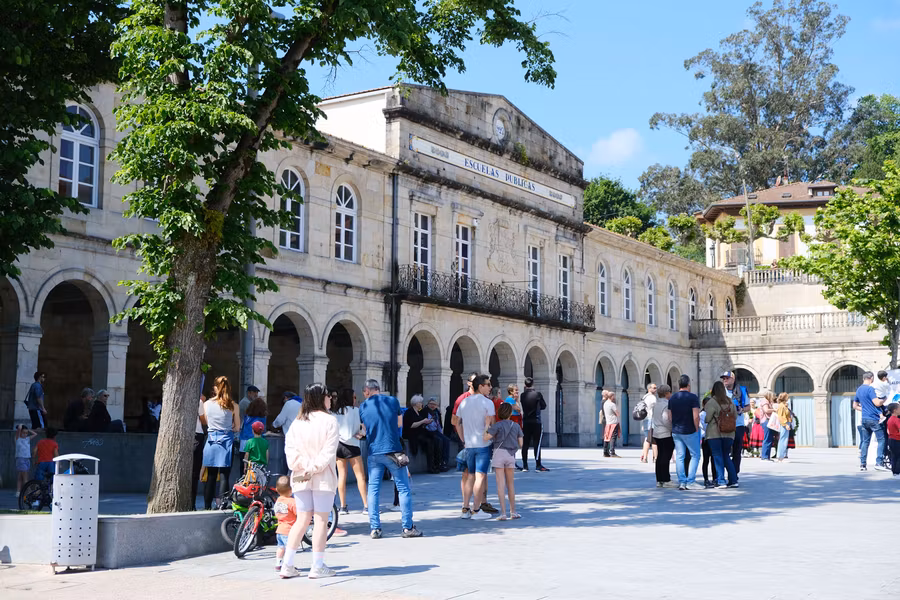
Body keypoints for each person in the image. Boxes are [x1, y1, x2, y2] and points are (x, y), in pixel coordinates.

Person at [279, 382, 340, 580]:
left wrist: (304, 467)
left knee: (302, 519)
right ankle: (317, 565)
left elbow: (291, 453)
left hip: (300, 476)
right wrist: (313, 468)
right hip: (322, 477)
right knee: (321, 520)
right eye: (328, 395)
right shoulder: (330, 421)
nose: (330, 399)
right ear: (321, 397)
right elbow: (328, 453)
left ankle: (287, 564)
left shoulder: (297, 422)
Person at [359, 378, 423, 539]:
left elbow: (365, 430)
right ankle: (407, 527)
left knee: (373, 490)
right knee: (403, 488)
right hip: (393, 450)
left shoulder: (363, 406)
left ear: (367, 391)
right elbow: (400, 424)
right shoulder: (393, 401)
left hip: (374, 451)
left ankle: (375, 528)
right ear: (378, 389)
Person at [453, 374, 497, 520]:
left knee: (470, 476)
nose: (490, 387)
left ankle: (465, 508)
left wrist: (463, 439)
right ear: (481, 386)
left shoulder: (464, 402)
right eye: (488, 384)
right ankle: (476, 510)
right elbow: (491, 424)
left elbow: (456, 422)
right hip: (483, 444)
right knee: (480, 476)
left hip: (469, 444)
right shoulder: (487, 403)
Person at [199, 376, 240, 510]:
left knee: (210, 475)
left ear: (216, 388)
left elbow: (204, 421)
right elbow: (237, 428)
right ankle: (222, 504)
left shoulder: (207, 404)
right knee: (224, 476)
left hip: (211, 439)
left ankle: (206, 506)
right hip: (226, 440)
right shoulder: (233, 405)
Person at [484, 402, 524, 520]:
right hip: (510, 454)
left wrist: (487, 426)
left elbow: (486, 438)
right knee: (510, 484)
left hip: (498, 454)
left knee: (500, 485)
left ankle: (503, 513)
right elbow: (521, 444)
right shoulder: (516, 426)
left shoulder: (497, 425)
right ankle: (513, 511)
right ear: (510, 413)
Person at [332, 388, 368, 515]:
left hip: (339, 445)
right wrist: (361, 434)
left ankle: (343, 506)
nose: (355, 400)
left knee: (341, 476)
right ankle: (366, 505)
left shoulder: (335, 412)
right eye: (354, 397)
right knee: (360, 476)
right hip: (353, 444)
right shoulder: (356, 411)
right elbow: (364, 427)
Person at [667, 374, 703, 490]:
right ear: (688, 385)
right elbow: (696, 416)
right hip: (689, 430)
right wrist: (696, 428)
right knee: (695, 455)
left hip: (676, 430)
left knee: (680, 456)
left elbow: (669, 416)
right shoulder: (693, 397)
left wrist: (675, 425)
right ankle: (690, 481)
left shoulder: (672, 398)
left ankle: (682, 481)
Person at [704, 381, 738, 488]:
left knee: (717, 456)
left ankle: (721, 480)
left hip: (715, 434)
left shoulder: (712, 402)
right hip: (729, 433)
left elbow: (708, 418)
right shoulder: (730, 402)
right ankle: (733, 480)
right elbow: (735, 417)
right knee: (726, 456)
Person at [854, 371, 887, 471]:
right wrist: (884, 399)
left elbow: (855, 406)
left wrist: (864, 409)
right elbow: (877, 403)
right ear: (871, 378)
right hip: (874, 418)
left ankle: (863, 464)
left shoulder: (859, 390)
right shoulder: (870, 389)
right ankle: (879, 462)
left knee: (865, 441)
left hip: (864, 419)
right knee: (882, 439)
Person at [403, 394, 443, 473]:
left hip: (420, 432)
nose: (422, 404)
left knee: (437, 440)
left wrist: (428, 422)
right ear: (416, 403)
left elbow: (421, 424)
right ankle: (430, 466)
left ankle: (437, 464)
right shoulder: (409, 412)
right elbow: (412, 425)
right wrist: (423, 421)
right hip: (412, 434)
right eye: (420, 402)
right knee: (429, 442)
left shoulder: (419, 412)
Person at [721, 370, 751, 475]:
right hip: (724, 425)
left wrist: (742, 410)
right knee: (724, 450)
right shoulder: (721, 391)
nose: (725, 380)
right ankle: (724, 474)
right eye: (723, 378)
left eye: (727, 378)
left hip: (738, 424)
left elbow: (748, 407)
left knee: (737, 451)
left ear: (733, 379)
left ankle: (734, 474)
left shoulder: (741, 391)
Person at [520, 376, 549, 471]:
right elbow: (544, 406)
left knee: (526, 444)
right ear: (533, 384)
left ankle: (525, 465)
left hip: (526, 421)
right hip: (536, 421)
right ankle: (538, 465)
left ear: (525, 385)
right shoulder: (537, 394)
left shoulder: (522, 395)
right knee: (537, 443)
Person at [650, 384, 676, 488]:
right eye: (670, 392)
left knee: (660, 456)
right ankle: (666, 479)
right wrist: (672, 428)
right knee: (666, 456)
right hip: (665, 433)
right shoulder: (666, 404)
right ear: (666, 393)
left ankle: (659, 479)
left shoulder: (656, 404)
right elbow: (666, 419)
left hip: (657, 432)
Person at [272, 476, 296, 572]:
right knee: (290, 549)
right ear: (291, 490)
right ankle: (288, 565)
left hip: (279, 530)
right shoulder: (292, 502)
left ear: (277, 490)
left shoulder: (278, 501)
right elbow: (298, 514)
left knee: (280, 548)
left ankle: (278, 564)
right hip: (289, 530)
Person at [238, 396, 268, 472]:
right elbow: (261, 431)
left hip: (244, 441)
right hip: (255, 442)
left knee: (243, 464)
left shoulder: (247, 417)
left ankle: (243, 480)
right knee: (256, 465)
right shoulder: (262, 419)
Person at [424, 397, 451, 471]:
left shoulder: (437, 412)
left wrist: (441, 433)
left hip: (436, 431)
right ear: (428, 404)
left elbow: (439, 424)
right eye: (431, 404)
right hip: (427, 431)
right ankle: (438, 463)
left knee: (446, 440)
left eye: (434, 404)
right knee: (439, 440)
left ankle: (444, 462)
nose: (432, 406)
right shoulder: (424, 411)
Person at [15, 425, 38, 497]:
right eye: (23, 433)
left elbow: (35, 434)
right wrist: (20, 427)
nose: (25, 434)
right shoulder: (18, 439)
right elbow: (18, 431)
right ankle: (28, 491)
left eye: (26, 433)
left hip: (27, 458)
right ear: (20, 433)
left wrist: (28, 429)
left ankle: (18, 491)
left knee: (20, 476)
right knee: (25, 477)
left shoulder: (27, 439)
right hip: (21, 458)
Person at [640, 383, 658, 463]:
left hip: (645, 419)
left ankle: (644, 457)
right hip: (652, 419)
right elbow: (656, 408)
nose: (655, 389)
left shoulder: (644, 397)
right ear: (649, 389)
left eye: (656, 388)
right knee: (654, 439)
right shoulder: (652, 397)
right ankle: (656, 457)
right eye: (654, 388)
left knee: (647, 438)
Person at [774, 392, 793, 462]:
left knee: (784, 439)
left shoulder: (784, 405)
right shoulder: (781, 406)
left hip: (786, 422)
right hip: (784, 423)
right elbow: (781, 416)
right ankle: (780, 456)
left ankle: (781, 456)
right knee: (783, 440)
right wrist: (786, 424)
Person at [758, 391, 777, 461]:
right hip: (766, 421)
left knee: (769, 438)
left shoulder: (767, 401)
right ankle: (765, 456)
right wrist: (774, 410)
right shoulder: (765, 401)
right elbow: (766, 410)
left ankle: (766, 456)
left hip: (768, 421)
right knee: (767, 438)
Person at [602, 391, 621, 458]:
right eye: (614, 396)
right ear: (612, 396)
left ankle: (605, 452)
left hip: (608, 422)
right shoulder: (612, 404)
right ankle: (612, 452)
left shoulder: (605, 403)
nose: (615, 397)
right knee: (613, 437)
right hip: (613, 422)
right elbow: (618, 413)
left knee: (606, 437)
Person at [886, 403, 900, 476]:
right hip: (897, 439)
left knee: (894, 456)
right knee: (899, 456)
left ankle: (894, 472)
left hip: (891, 439)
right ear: (895, 410)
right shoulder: (896, 420)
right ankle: (897, 472)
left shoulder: (890, 419)